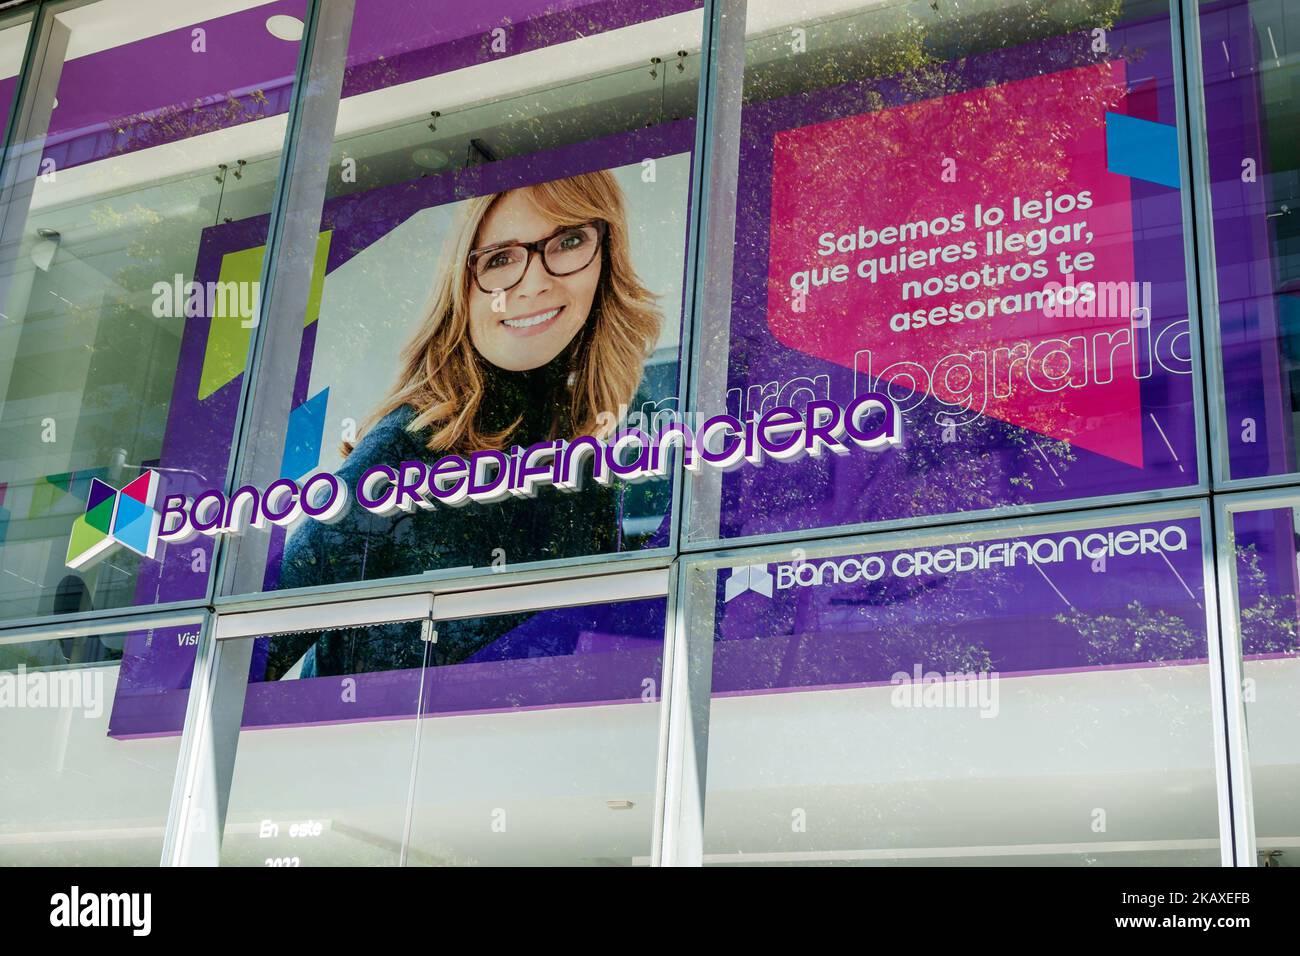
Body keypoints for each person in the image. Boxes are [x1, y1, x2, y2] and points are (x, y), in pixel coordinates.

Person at [263, 170, 663, 680]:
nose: (535, 281)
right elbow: (249, 642)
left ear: (606, 257)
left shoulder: (582, 455)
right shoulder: (411, 443)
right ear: (462, 289)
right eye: (500, 259)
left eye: (569, 240)